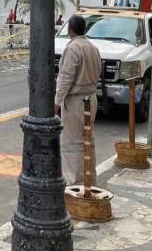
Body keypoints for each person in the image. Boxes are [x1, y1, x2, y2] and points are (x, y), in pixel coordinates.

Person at [55, 15, 101, 186]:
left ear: (70, 30)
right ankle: (90, 179)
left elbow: (65, 77)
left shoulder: (74, 48)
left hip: (75, 101)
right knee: (88, 140)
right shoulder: (92, 47)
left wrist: (57, 101)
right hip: (91, 98)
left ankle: (75, 183)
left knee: (72, 143)